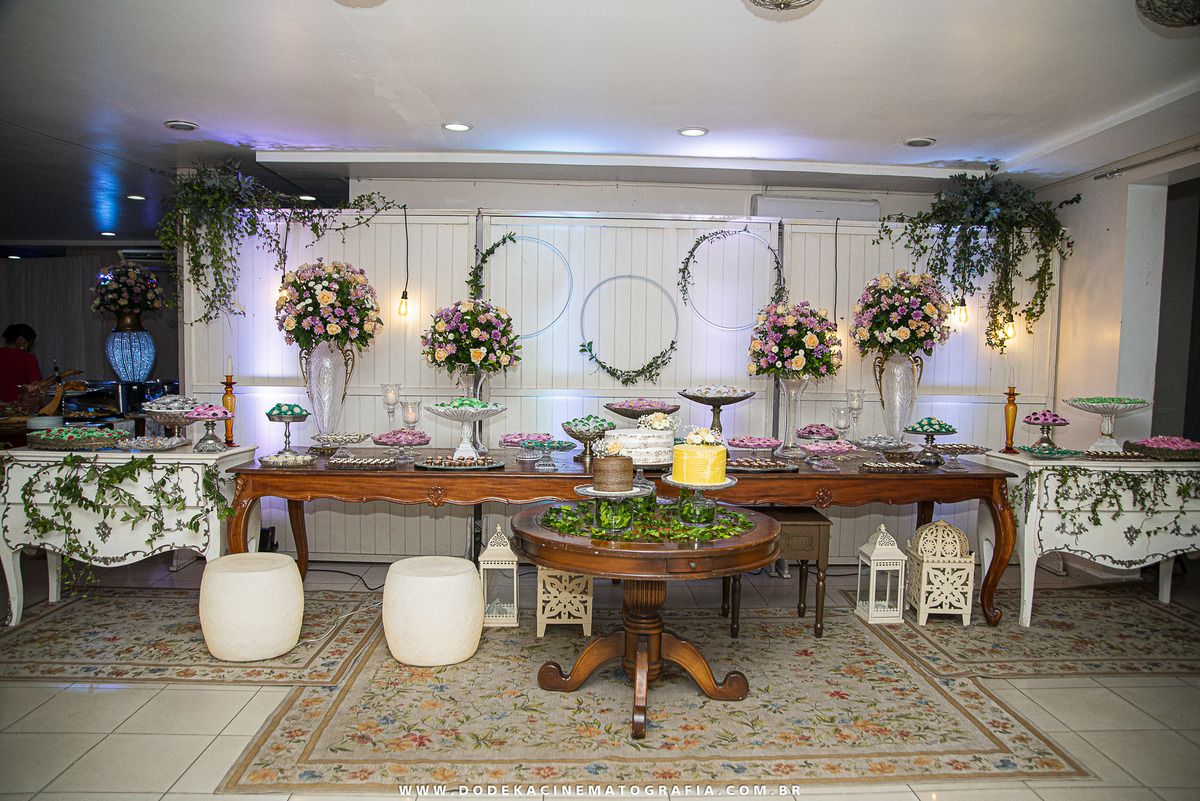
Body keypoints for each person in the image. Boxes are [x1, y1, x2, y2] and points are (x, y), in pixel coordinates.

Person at [0, 323, 41, 402]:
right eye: (31, 342)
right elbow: (36, 386)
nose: (32, 346)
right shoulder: (27, 358)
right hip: (20, 405)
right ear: (21, 340)